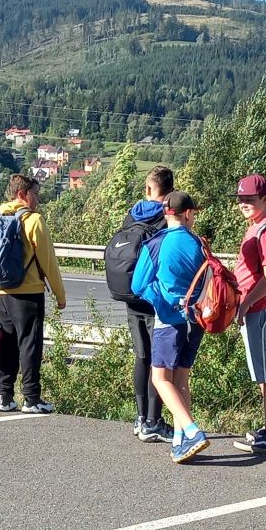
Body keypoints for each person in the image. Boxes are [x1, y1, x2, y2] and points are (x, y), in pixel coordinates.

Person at [132, 190, 210, 463]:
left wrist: (158, 297)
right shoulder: (199, 243)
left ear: (167, 214)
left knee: (160, 379)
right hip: (196, 321)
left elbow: (137, 285)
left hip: (168, 321)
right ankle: (180, 441)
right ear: (187, 213)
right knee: (180, 381)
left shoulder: (156, 243)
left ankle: (192, 432)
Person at [0, 174, 66, 414]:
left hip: (0, 294)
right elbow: (49, 262)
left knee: (6, 345)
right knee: (30, 345)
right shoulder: (34, 221)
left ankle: (3, 396)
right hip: (28, 293)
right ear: (22, 195)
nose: (38, 199)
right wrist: (59, 295)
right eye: (35, 194)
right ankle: (31, 398)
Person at [113, 165, 175, 442]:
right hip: (154, 296)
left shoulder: (132, 215)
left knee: (141, 356)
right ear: (170, 190)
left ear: (147, 189)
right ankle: (154, 421)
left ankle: (140, 418)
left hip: (131, 294)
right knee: (158, 360)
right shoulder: (166, 216)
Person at [231, 174, 266, 454]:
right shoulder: (257, 226)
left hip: (264, 309)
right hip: (260, 308)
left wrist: (246, 303)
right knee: (264, 371)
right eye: (240, 199)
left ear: (265, 199)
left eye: (249, 199)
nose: (243, 203)